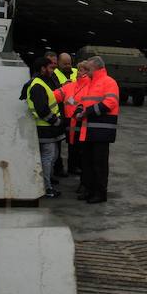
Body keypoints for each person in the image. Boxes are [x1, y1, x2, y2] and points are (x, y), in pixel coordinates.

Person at [74, 55, 120, 203]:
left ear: (97, 68)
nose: (86, 71)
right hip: (88, 130)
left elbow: (111, 102)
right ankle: (89, 190)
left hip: (101, 131)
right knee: (87, 163)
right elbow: (83, 101)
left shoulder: (109, 82)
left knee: (99, 164)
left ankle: (100, 193)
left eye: (89, 68)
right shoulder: (91, 83)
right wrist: (79, 110)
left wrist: (87, 112)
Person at [23, 56, 65, 198]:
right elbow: (42, 110)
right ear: (42, 68)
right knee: (48, 158)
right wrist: (56, 121)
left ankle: (45, 185)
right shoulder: (38, 85)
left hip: (47, 129)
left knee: (50, 157)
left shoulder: (41, 82)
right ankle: (46, 188)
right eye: (51, 68)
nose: (53, 70)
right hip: (45, 129)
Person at [53, 60, 91, 195]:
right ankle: (73, 167)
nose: (79, 72)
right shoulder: (71, 86)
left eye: (82, 70)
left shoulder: (91, 86)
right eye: (79, 69)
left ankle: (80, 174)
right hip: (71, 122)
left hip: (83, 122)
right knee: (72, 146)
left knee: (82, 150)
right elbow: (54, 95)